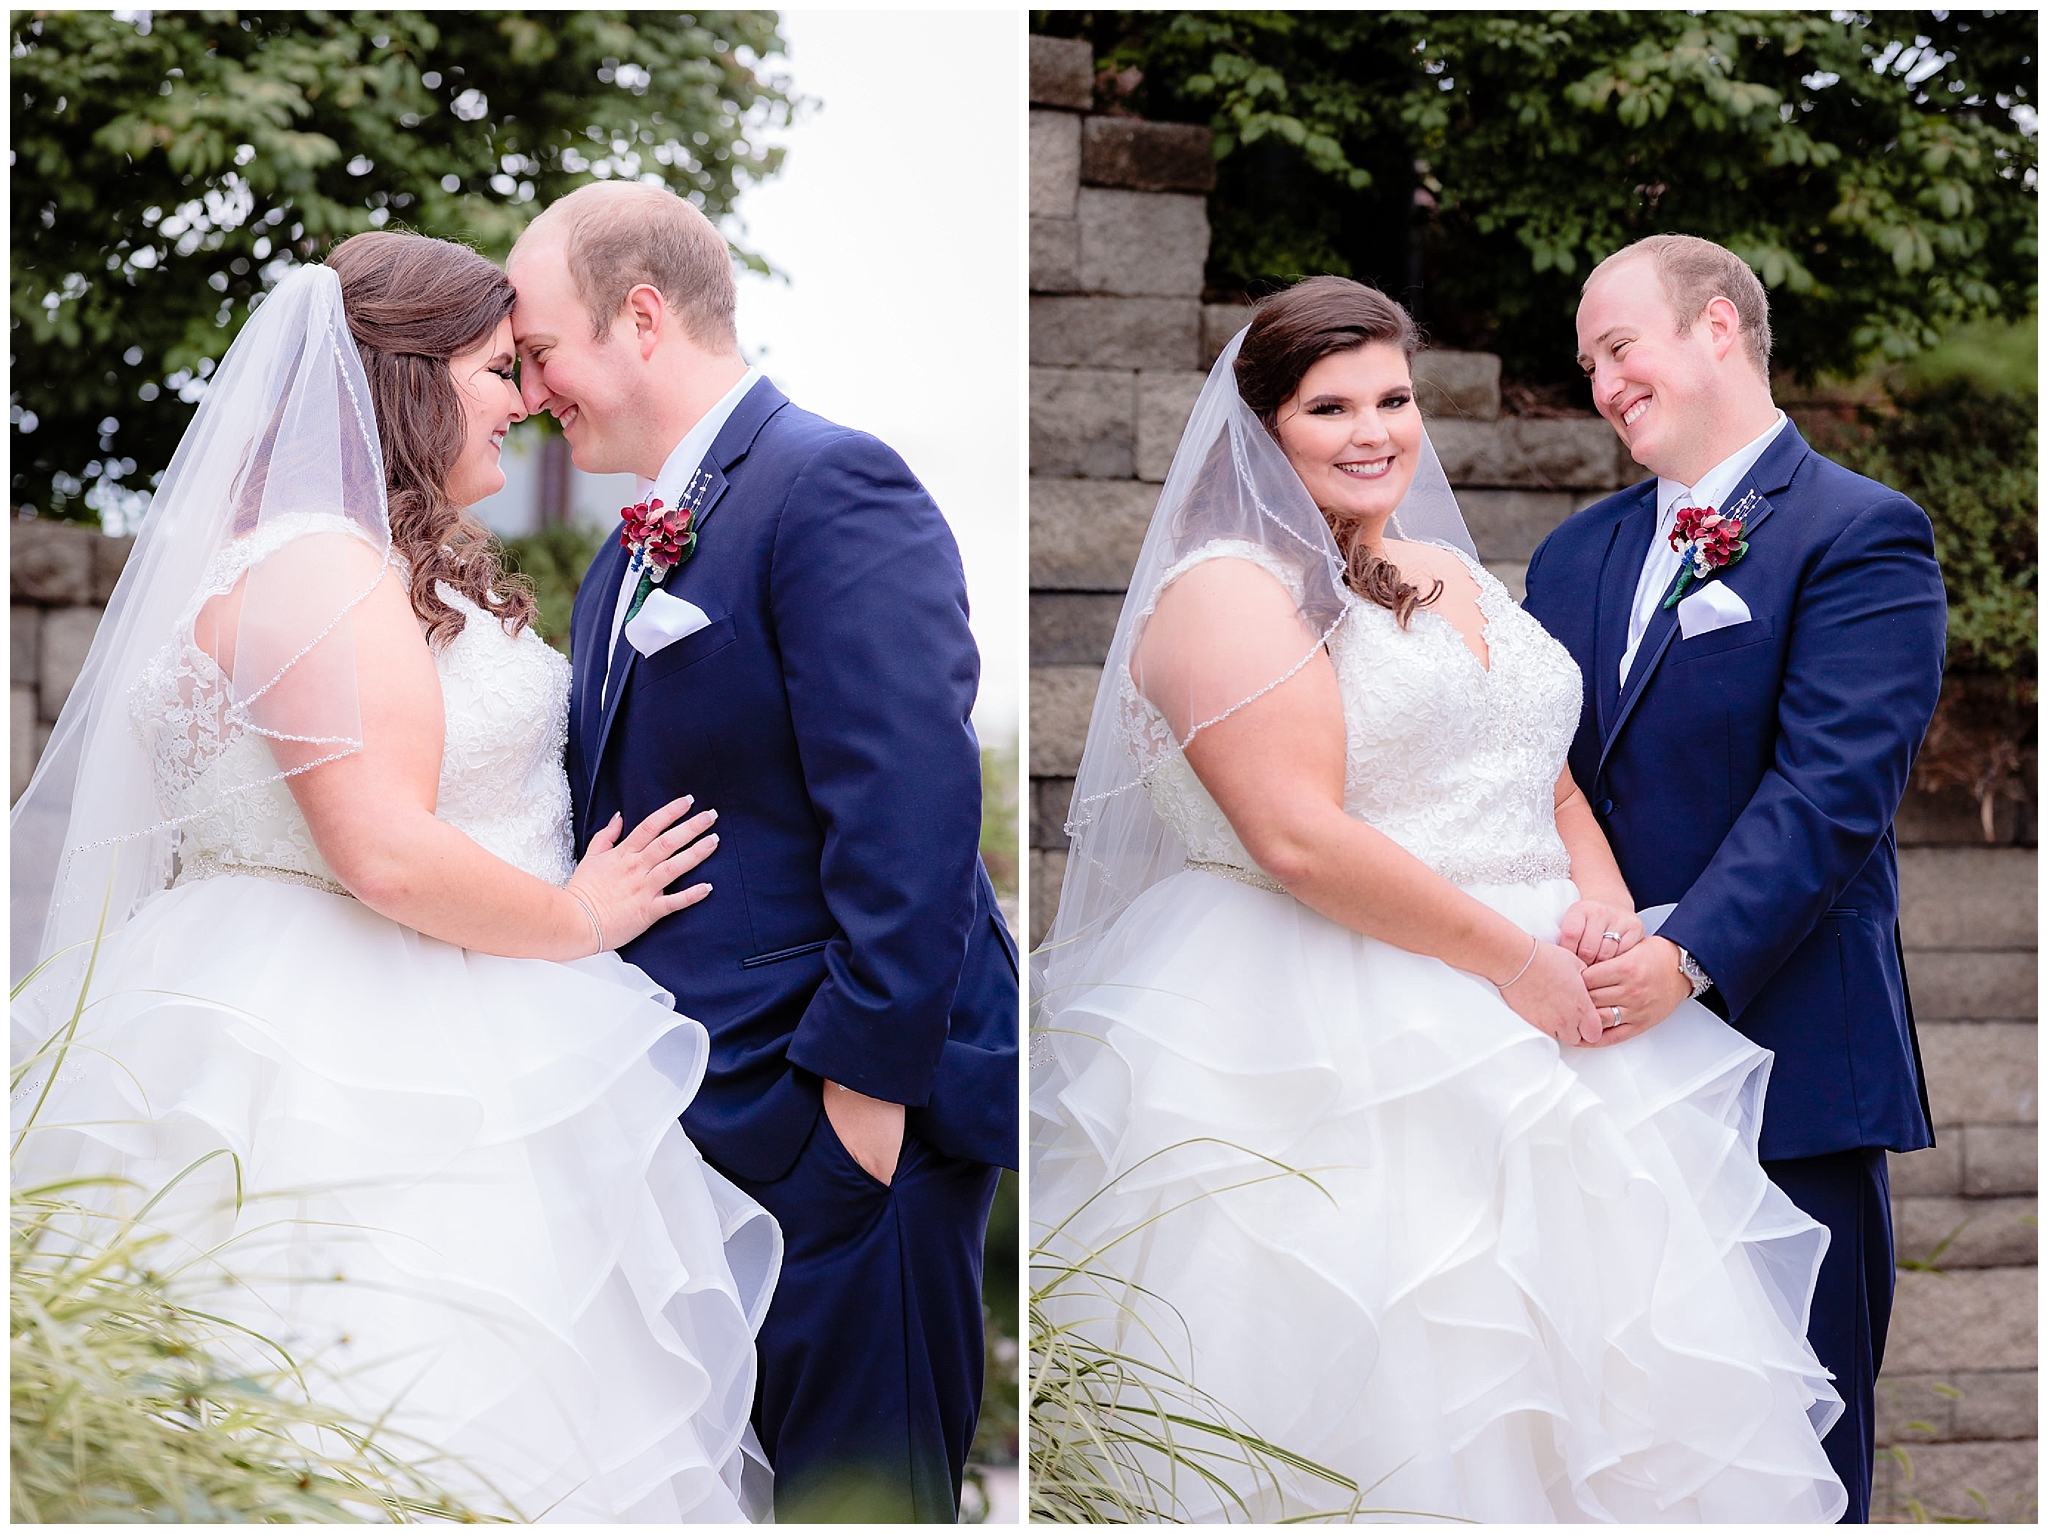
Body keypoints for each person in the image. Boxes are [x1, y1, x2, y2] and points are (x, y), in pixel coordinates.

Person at [1031, 274, 1850, 1521]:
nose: (1375, 431)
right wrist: (1515, 968)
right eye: (1329, 407)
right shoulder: (1224, 590)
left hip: (1564, 1023)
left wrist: (1603, 918)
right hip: (1337, 1019)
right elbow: (1298, 837)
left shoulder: (1438, 570)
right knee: (1405, 1377)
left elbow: (1547, 780)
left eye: (1393, 398)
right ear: (1262, 429)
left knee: (1608, 1387)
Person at [11, 234, 782, 1522]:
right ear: (408, 383)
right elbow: (380, 845)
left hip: (350, 996)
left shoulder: (341, 556)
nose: (525, 397)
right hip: (347, 1040)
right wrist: (576, 916)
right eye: (494, 369)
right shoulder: (321, 562)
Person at [505, 181, 1018, 1524]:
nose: (530, 381)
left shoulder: (830, 485)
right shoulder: (622, 563)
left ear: (641, 315)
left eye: (542, 347)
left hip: (836, 1123)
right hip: (694, 1121)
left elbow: (910, 807)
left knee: (863, 1496)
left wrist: (856, 1109)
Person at [1523, 234, 1947, 1521]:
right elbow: (1535, 779)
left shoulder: (1860, 533)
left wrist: (1681, 957)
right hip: (1590, 1070)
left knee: (1792, 1468)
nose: (1600, 382)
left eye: (1618, 346)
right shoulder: (1569, 558)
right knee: (1624, 1449)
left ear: (1716, 328)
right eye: (1587, 361)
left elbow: (1830, 792)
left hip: (1788, 1069)